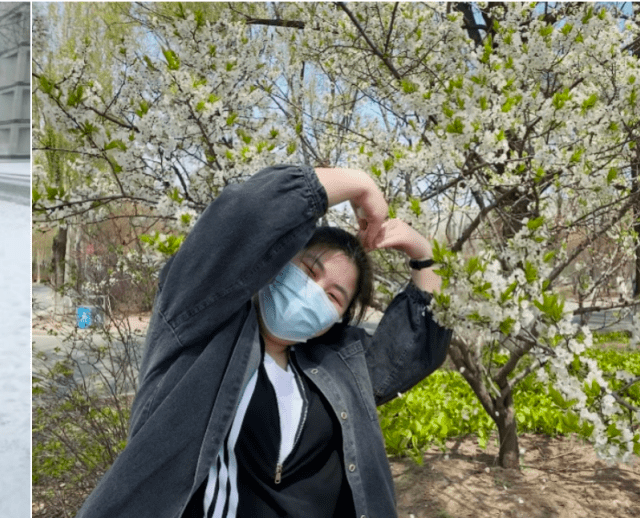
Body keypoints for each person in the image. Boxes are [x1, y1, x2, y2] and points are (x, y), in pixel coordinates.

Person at [75, 164, 452, 518]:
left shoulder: (335, 367)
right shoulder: (199, 327)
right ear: (276, 261)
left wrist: (424, 258)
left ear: (337, 318)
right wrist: (358, 183)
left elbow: (414, 348)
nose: (312, 292)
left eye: (334, 296)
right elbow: (245, 216)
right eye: (308, 270)